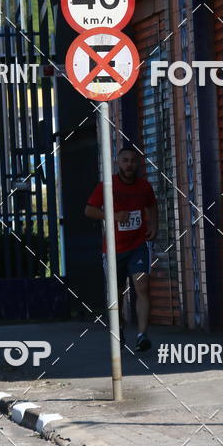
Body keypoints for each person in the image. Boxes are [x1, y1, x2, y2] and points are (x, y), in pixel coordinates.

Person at [85, 146, 158, 352]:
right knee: (116, 294)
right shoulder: (106, 186)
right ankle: (119, 328)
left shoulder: (144, 186)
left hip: (138, 246)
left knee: (142, 287)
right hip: (114, 249)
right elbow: (89, 210)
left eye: (133, 161)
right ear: (118, 163)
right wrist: (113, 216)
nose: (129, 164)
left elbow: (152, 205)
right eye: (125, 160)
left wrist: (153, 224)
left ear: (138, 164)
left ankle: (143, 335)